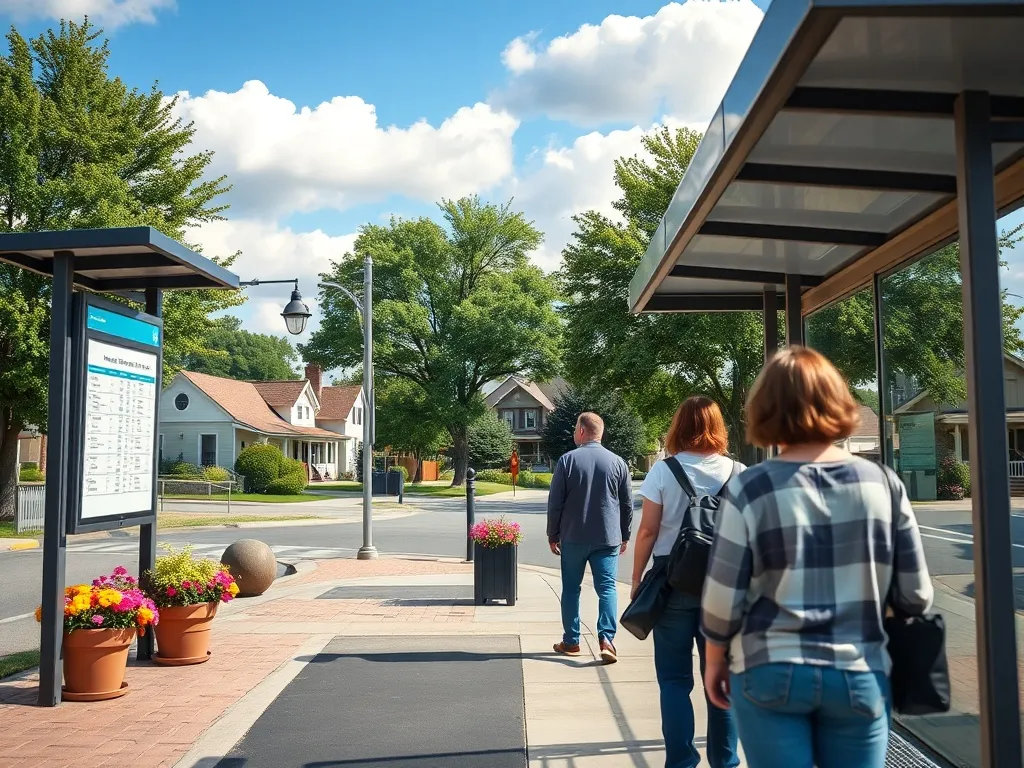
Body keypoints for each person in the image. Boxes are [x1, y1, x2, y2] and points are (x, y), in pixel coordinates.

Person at [701, 346, 934, 768]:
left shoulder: (750, 488)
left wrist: (715, 659)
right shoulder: (883, 483)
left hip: (770, 666)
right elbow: (916, 595)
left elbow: (723, 599)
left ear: (766, 408)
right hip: (858, 669)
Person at [632, 396, 744, 768]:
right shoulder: (739, 472)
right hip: (724, 590)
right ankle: (724, 762)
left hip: (672, 584)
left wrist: (636, 582)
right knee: (721, 682)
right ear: (717, 427)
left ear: (679, 427)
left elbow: (648, 532)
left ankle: (681, 762)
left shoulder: (664, 472)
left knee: (674, 682)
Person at [547, 412, 633, 664]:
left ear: (582, 431)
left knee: (571, 588)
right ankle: (607, 639)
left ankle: (572, 641)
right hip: (607, 537)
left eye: (575, 429)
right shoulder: (618, 463)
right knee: (607, 588)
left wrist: (553, 533)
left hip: (573, 536)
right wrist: (625, 534)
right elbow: (626, 504)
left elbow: (555, 503)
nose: (575, 433)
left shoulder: (567, 461)